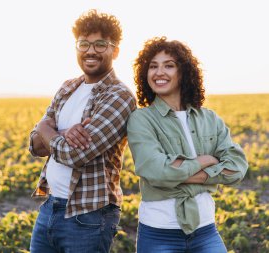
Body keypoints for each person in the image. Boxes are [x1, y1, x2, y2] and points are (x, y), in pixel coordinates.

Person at [28, 9, 136, 253]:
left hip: (89, 216)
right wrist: (62, 134)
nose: (90, 50)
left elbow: (76, 155)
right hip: (50, 207)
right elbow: (35, 146)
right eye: (84, 43)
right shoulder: (68, 87)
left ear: (115, 50)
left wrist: (47, 128)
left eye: (100, 44)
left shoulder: (119, 96)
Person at [127, 37, 248, 253]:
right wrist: (205, 162)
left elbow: (237, 166)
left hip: (206, 231)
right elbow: (156, 171)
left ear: (184, 72)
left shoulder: (209, 119)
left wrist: (181, 172)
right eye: (153, 66)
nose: (159, 72)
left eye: (169, 65)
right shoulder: (141, 119)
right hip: (158, 233)